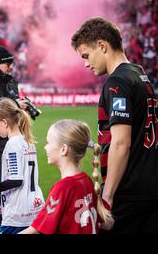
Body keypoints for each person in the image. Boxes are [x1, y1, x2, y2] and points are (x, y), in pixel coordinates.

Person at [71, 17, 158, 233]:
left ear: (102, 46)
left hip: (129, 192)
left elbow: (121, 143)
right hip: (151, 187)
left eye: (86, 55)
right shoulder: (139, 74)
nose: (85, 63)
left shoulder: (117, 82)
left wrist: (107, 196)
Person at [21, 119, 113, 234]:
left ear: (63, 149)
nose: (45, 147)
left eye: (48, 142)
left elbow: (35, 229)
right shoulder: (87, 181)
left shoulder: (62, 188)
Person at [0, 45, 40, 212]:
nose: (11, 67)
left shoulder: (9, 79)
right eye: (8, 63)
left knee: (15, 177)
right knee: (2, 178)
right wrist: (16, 104)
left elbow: (10, 101)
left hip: (14, 136)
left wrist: (23, 104)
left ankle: (12, 213)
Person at [0, 98, 44, 234]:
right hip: (33, 208)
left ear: (5, 122)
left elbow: (16, 180)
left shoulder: (12, 145)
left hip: (17, 213)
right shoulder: (28, 141)